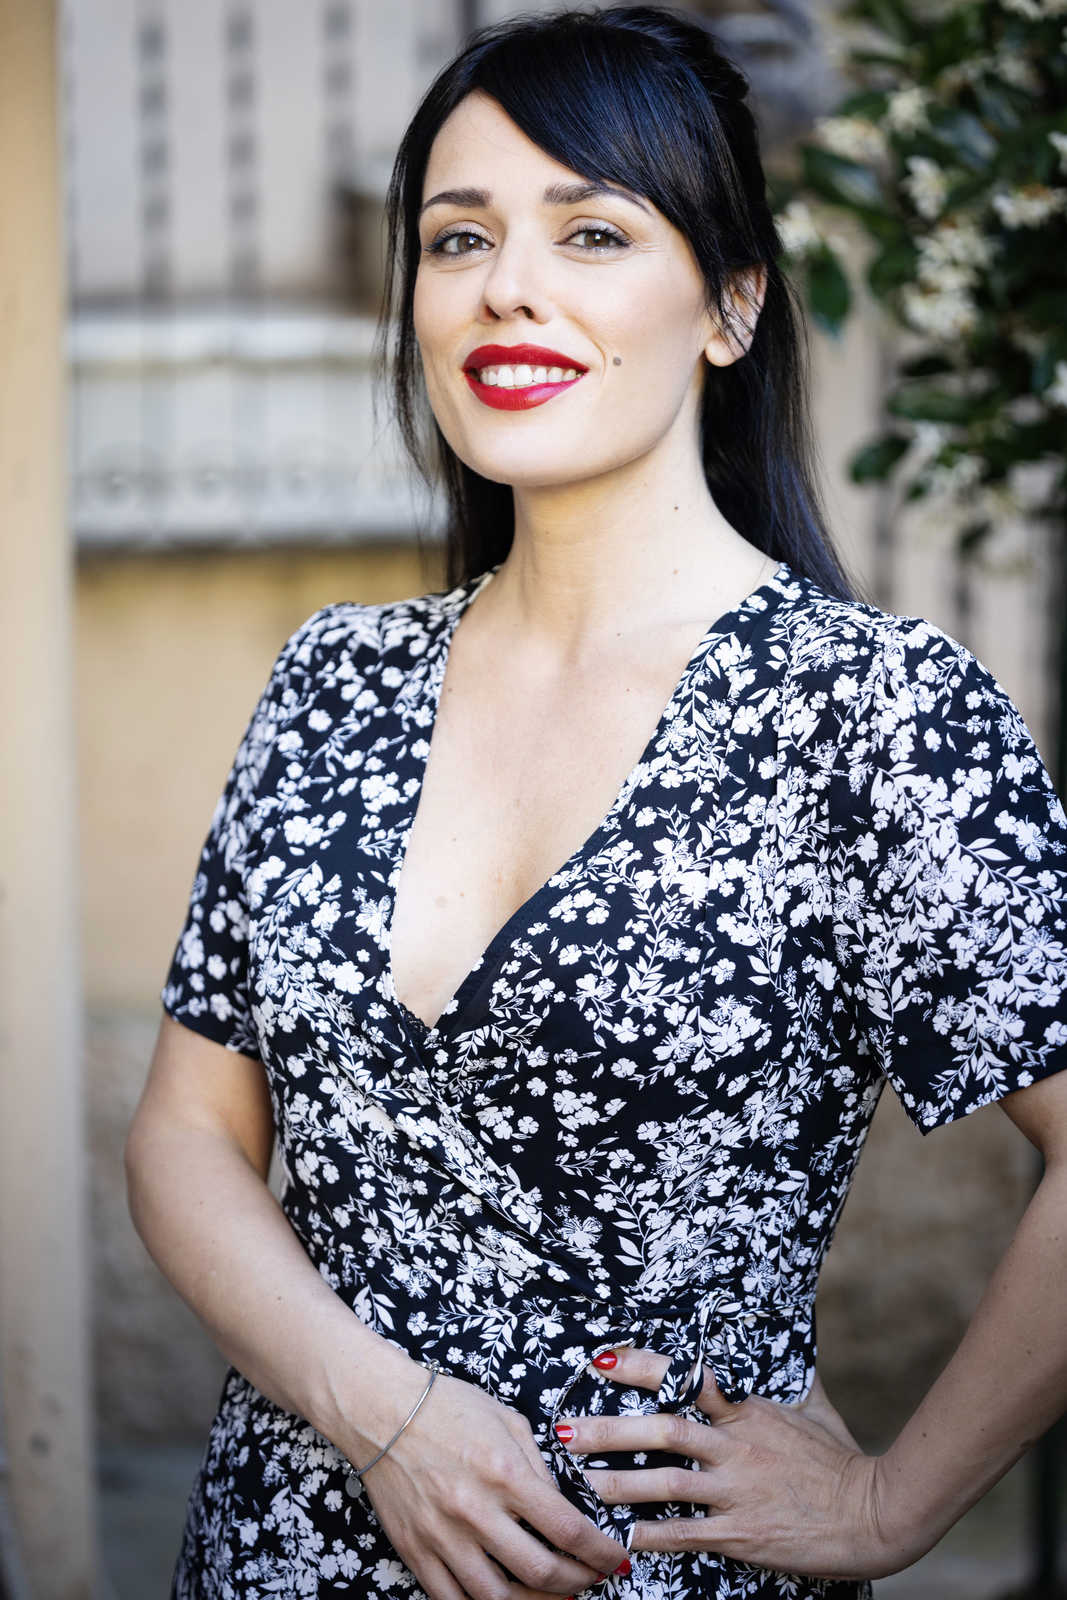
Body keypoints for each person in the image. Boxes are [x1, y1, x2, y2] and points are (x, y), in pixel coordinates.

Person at [125, 6, 1067, 1599]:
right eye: (459, 237)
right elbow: (186, 1134)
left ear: (732, 304)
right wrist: (386, 1418)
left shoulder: (871, 712)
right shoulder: (332, 682)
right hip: (277, 1551)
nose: (508, 285)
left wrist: (886, 1506)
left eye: (592, 232)